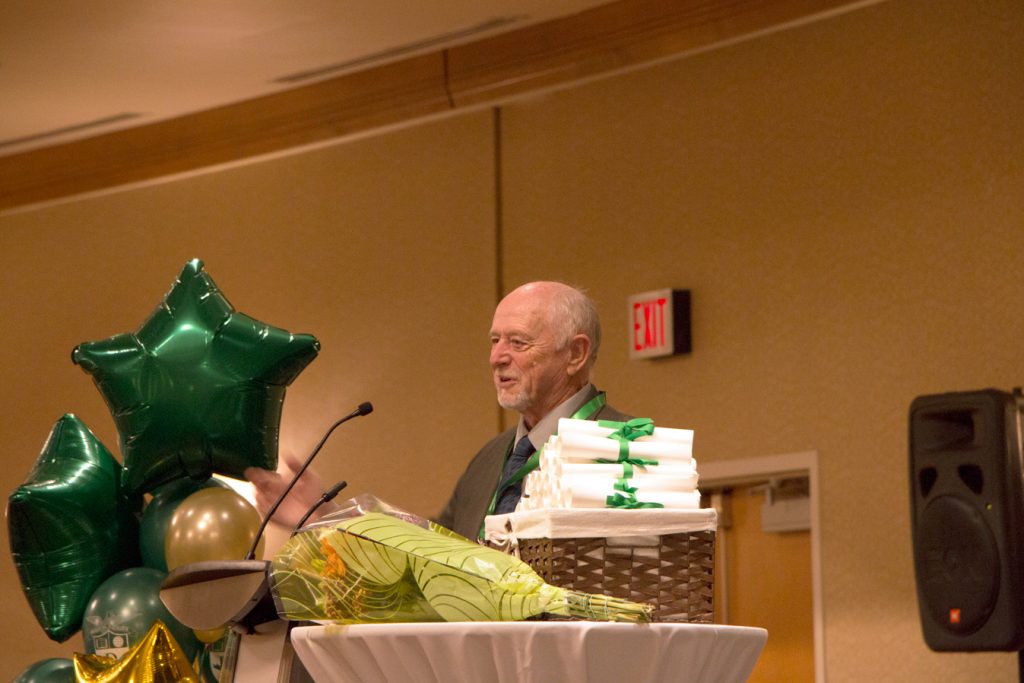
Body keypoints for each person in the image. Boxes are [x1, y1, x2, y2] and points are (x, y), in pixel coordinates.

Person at [246, 281, 628, 541]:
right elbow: (434, 553)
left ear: (575, 353)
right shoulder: (492, 458)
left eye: (518, 342)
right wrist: (326, 518)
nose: (497, 357)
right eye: (495, 341)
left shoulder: (628, 451)